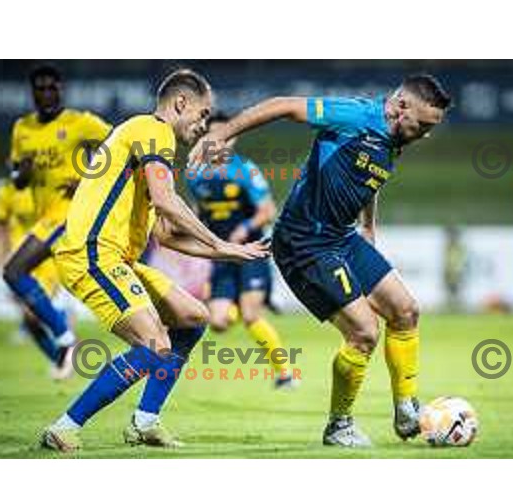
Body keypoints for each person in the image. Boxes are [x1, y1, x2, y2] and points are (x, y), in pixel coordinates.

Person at [190, 75, 451, 448]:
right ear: (400, 106)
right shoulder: (355, 116)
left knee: (406, 310)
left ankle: (406, 409)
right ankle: (339, 425)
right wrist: (222, 133)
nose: (425, 133)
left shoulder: (395, 138)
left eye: (431, 128)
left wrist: (368, 225)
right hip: (305, 241)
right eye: (423, 124)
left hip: (342, 236)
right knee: (363, 332)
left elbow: (368, 179)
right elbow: (282, 104)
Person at [41, 68, 269, 452]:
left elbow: (164, 233)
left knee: (193, 317)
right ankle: (64, 426)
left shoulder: (151, 146)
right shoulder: (153, 129)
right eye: (202, 113)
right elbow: (167, 202)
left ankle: (145, 421)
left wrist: (226, 251)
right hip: (92, 253)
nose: (203, 124)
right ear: (181, 103)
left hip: (119, 258)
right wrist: (219, 241)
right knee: (154, 345)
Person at [3, 64, 111, 377]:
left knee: (13, 270)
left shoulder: (80, 122)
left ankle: (65, 338)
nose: (47, 93)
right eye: (41, 88)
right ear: (32, 92)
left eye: (53, 87)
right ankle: (67, 356)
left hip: (70, 213)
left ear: (62, 89)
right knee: (25, 298)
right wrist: (21, 172)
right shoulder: (22, 128)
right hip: (43, 221)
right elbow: (18, 178)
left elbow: (120, 144)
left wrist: (90, 178)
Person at [186, 114, 294, 388]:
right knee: (219, 322)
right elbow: (199, 214)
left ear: (233, 138)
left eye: (225, 136)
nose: (219, 143)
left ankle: (284, 374)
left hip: (251, 252)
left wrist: (244, 228)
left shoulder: (246, 169)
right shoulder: (194, 175)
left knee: (250, 316)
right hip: (222, 255)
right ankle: (253, 296)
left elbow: (268, 211)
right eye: (213, 137)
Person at [0, 169, 61, 362]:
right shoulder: (7, 192)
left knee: (32, 314)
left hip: (46, 260)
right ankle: (62, 357)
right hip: (20, 261)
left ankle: (66, 345)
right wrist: (2, 254)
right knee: (30, 320)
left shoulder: (47, 187)